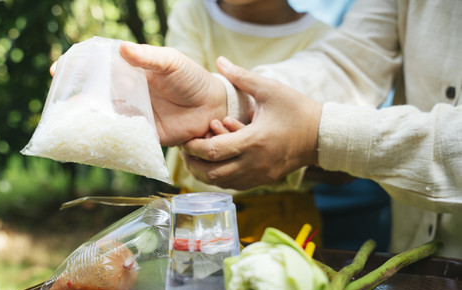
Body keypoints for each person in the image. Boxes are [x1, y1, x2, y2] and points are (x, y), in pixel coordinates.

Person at [119, 0, 462, 258]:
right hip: (411, 257)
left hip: (287, 215)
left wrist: (311, 136)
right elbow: (352, 61)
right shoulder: (194, 12)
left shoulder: (316, 30)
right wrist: (221, 99)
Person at [163, 0, 333, 245]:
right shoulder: (192, 12)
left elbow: (335, 151)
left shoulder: (325, 40)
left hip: (285, 218)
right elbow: (180, 112)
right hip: (195, 209)